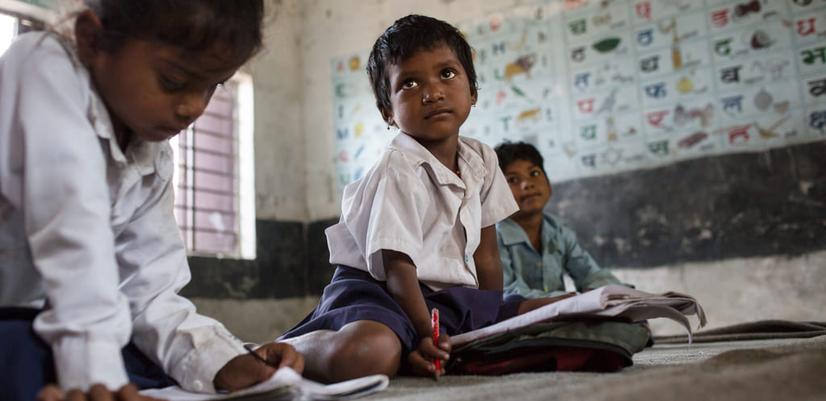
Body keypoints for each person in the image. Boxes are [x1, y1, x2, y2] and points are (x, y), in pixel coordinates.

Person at [0, 2, 303, 400]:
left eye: (213, 85)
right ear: (93, 40)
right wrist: (96, 377)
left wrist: (222, 359)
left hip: (57, 321)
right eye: (173, 79)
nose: (194, 108)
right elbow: (72, 230)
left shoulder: (152, 155)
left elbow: (149, 292)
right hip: (21, 321)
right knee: (30, 354)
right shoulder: (41, 65)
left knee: (152, 363)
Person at [279, 14, 564, 384]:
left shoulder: (482, 159)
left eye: (447, 74)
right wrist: (423, 334)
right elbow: (399, 270)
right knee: (370, 354)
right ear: (388, 112)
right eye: (409, 83)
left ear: (472, 90)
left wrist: (487, 321)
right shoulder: (398, 168)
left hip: (444, 297)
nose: (432, 92)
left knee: (560, 310)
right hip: (379, 292)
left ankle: (416, 346)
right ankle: (284, 348)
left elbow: (487, 255)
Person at [493, 142, 627, 299]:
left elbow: (590, 273)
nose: (527, 184)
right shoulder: (493, 238)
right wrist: (567, 299)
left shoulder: (558, 229)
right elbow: (508, 294)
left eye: (534, 174)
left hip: (560, 315)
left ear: (548, 184)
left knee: (630, 322)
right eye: (513, 180)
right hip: (519, 320)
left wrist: (610, 291)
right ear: (496, 193)